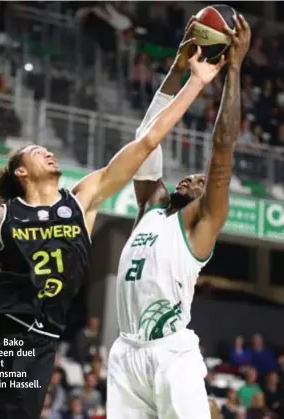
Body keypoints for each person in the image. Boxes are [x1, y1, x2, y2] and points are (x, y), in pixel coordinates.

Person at [0, 27, 224, 419]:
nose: (48, 152)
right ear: (21, 172)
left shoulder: (82, 201)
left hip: (43, 343)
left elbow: (147, 142)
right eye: (38, 152)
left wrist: (192, 80)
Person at [107, 14, 251, 419]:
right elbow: (147, 136)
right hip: (124, 352)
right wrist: (178, 66)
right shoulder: (152, 207)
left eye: (202, 181)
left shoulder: (201, 226)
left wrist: (234, 70)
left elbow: (222, 148)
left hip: (171, 352)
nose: (192, 177)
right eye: (189, 175)